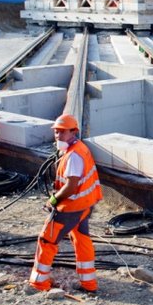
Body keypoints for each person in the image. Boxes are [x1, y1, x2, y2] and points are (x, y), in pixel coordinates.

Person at [29, 113, 103, 294]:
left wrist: (54, 200)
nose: (58, 136)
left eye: (62, 132)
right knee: (81, 239)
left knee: (47, 240)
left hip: (71, 207)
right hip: (85, 205)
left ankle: (39, 283)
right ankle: (89, 283)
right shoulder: (78, 149)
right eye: (56, 132)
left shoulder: (73, 156)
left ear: (74, 132)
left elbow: (71, 186)